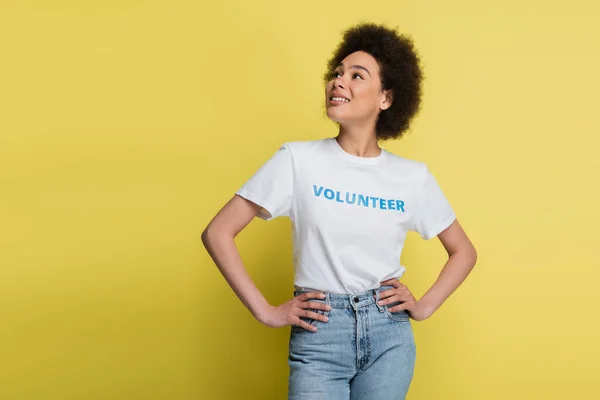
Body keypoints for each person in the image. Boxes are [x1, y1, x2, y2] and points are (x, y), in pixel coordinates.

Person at [202, 22, 477, 400]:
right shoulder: (297, 160)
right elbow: (218, 232)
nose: (338, 82)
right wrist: (265, 311)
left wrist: (425, 306)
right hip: (320, 335)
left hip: (389, 337)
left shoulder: (411, 177)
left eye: (356, 75)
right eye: (336, 73)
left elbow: (464, 251)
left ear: (386, 97)